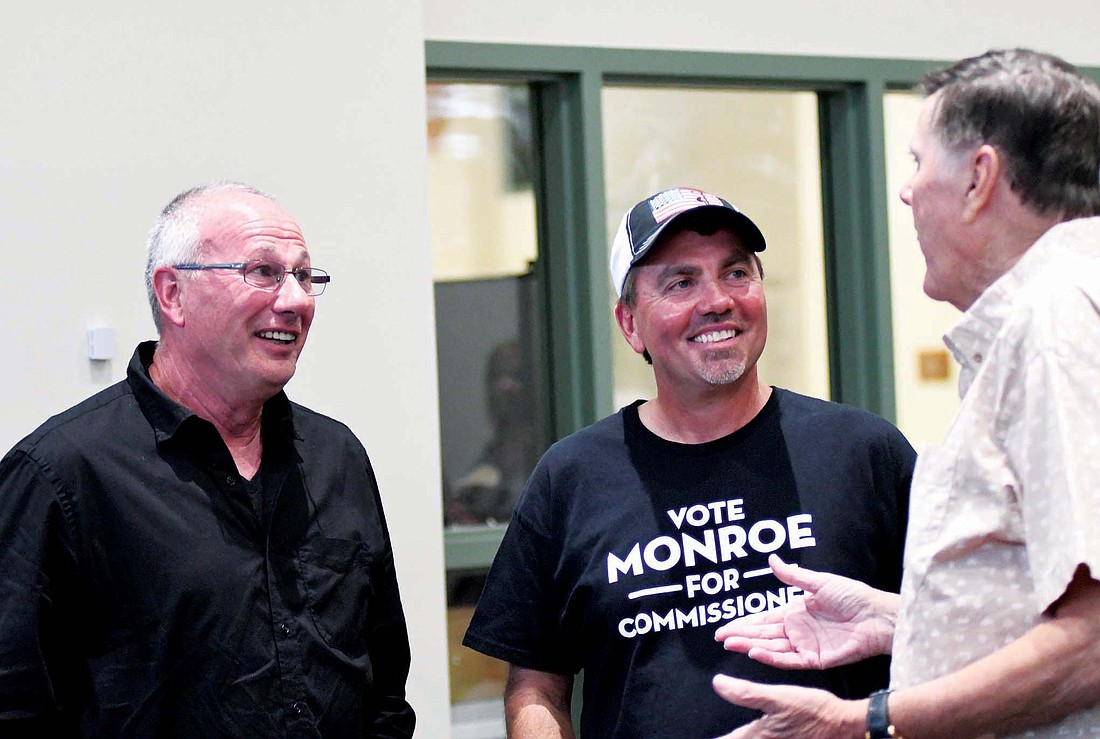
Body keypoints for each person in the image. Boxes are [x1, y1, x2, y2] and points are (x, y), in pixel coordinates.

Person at [713, 48, 1100, 738]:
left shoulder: (1056, 319)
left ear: (980, 177)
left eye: (918, 163)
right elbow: (1041, 595)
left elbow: (1092, 639)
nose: (907, 191)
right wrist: (902, 620)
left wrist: (867, 719)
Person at [462, 185, 916, 737]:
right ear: (630, 325)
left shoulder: (864, 453)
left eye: (736, 273)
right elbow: (536, 684)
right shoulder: (572, 478)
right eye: (681, 282)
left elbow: (955, 637)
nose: (718, 300)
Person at [0, 182, 415, 737]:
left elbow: (384, 679)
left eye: (304, 276)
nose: (295, 301)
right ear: (173, 295)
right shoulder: (62, 474)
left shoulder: (336, 457)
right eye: (263, 272)